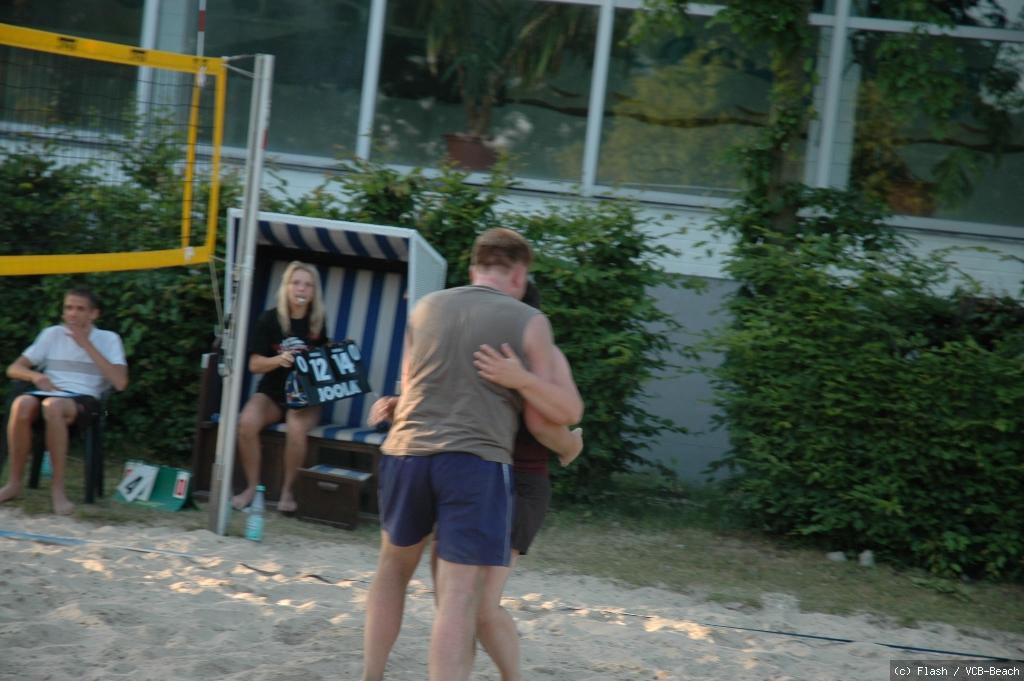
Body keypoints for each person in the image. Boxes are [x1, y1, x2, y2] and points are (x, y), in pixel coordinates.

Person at [361, 228, 583, 681]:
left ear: (472, 267)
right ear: (519, 274)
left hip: (405, 452)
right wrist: (567, 442)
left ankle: (370, 675)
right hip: (474, 460)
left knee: (391, 572)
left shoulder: (425, 308)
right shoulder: (529, 321)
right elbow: (556, 414)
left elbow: (410, 388)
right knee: (459, 596)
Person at [0, 288, 128, 515]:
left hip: (85, 399)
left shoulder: (108, 339)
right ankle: (14, 483)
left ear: (93, 314)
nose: (72, 314)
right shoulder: (52, 334)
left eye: (80, 309)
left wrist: (86, 344)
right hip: (50, 393)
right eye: (68, 308)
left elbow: (120, 382)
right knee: (21, 404)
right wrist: (35, 376)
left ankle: (57, 490)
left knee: (54, 406)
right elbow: (14, 368)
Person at [232, 261, 328, 514]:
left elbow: (324, 365)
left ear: (314, 292)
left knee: (296, 426)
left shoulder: (317, 322)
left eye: (308, 285)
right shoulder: (269, 319)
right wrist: (278, 360)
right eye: (296, 283)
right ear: (286, 287)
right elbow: (254, 364)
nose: (301, 289)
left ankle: (287, 492)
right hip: (273, 393)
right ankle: (252, 488)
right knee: (246, 422)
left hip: (306, 396)